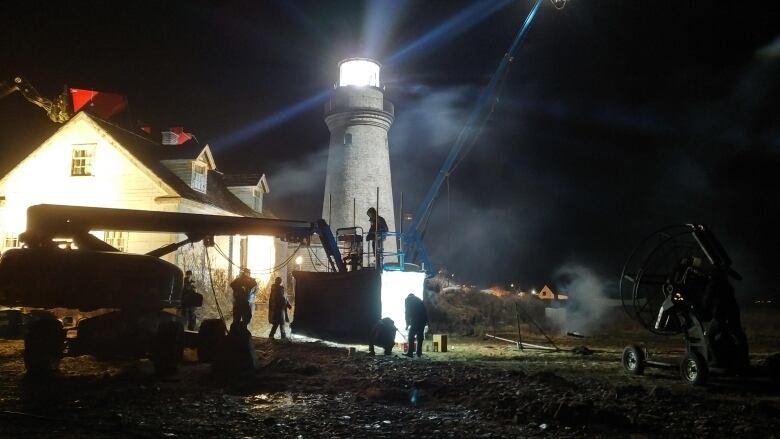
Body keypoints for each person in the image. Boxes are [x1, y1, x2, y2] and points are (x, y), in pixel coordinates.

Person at [404, 293, 428, 358]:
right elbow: (425, 310)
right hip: (423, 320)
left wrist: (407, 324)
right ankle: (419, 352)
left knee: (411, 335)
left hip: (416, 319)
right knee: (420, 334)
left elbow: (407, 312)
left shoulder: (408, 299)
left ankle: (410, 353)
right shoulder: (419, 300)